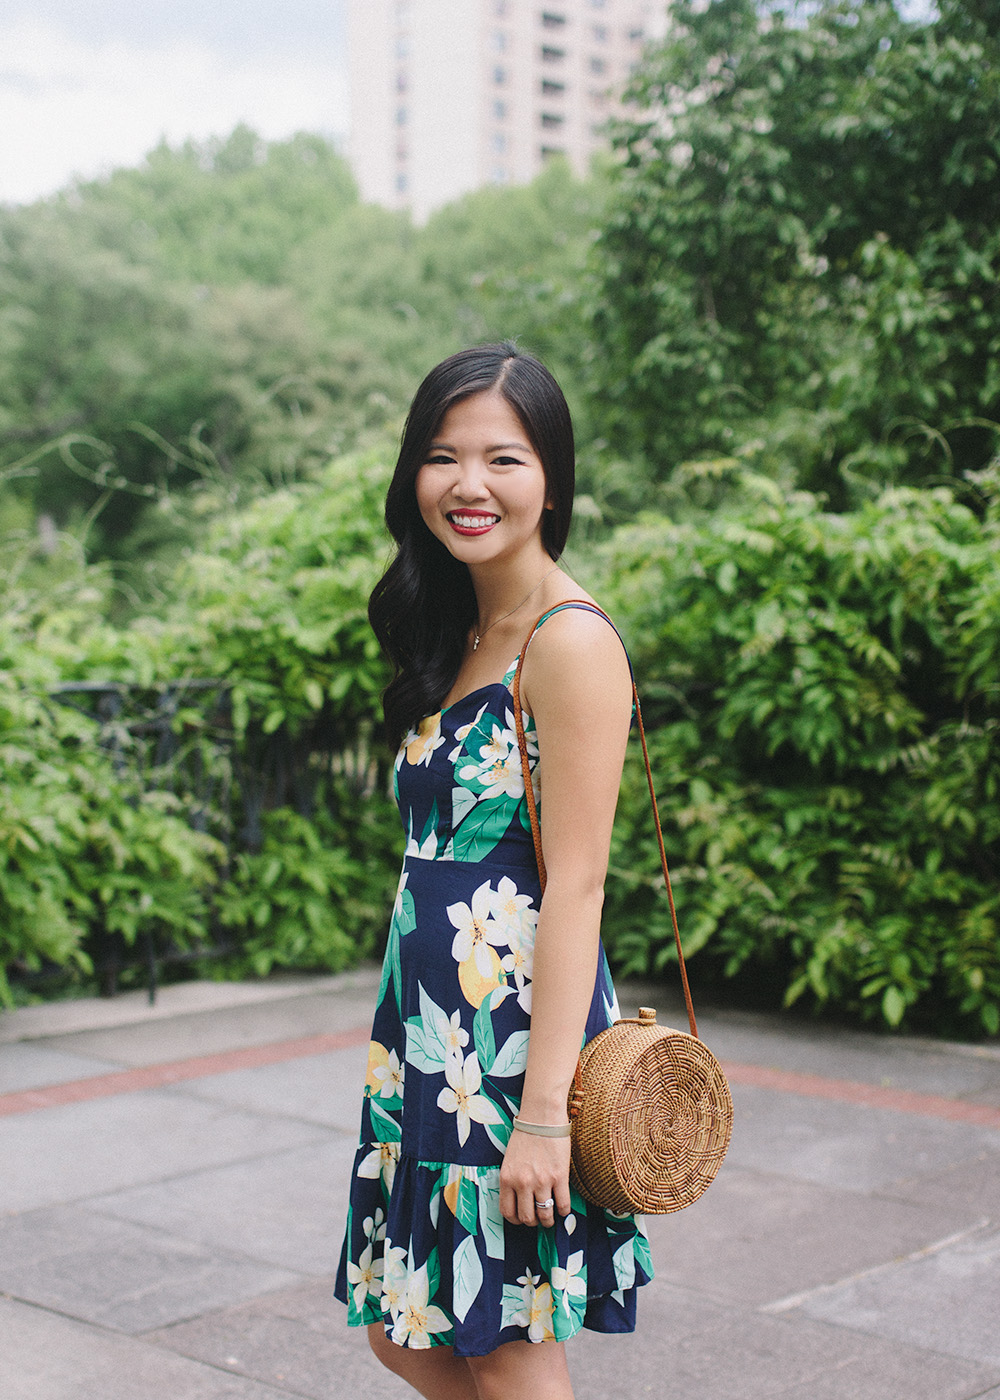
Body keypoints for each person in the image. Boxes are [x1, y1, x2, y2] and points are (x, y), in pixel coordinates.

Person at [334, 342, 653, 1399]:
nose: (468, 483)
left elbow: (578, 886)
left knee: (502, 1337)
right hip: (428, 1040)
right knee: (410, 1328)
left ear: (550, 479)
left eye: (501, 458)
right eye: (441, 455)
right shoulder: (462, 626)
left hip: (505, 1049)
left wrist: (544, 1112)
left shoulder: (567, 640)